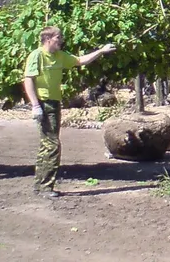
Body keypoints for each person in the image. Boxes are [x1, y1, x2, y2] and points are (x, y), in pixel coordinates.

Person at [23, 26, 116, 198]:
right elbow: (28, 80)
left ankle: (39, 185)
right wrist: (35, 105)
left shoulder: (60, 56)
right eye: (58, 37)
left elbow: (80, 60)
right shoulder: (37, 55)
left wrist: (101, 51)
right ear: (48, 39)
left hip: (54, 103)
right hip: (43, 104)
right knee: (52, 145)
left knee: (47, 145)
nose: (61, 40)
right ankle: (45, 187)